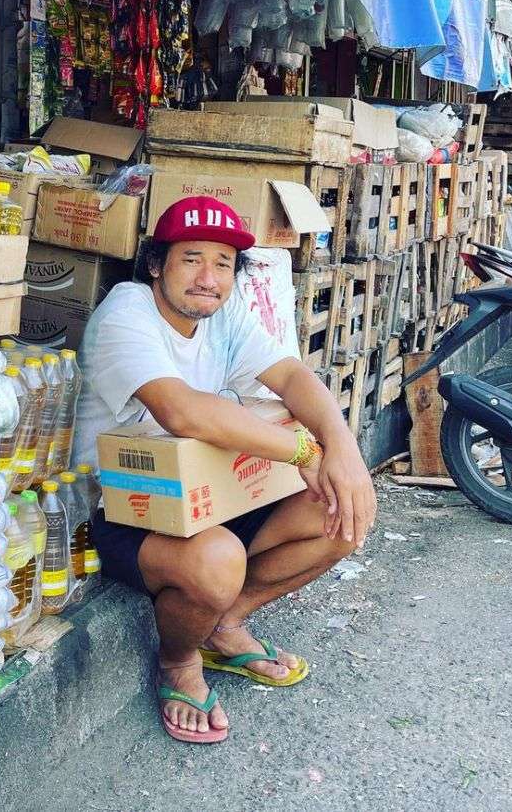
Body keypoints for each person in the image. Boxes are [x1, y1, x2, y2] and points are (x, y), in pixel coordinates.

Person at [72, 196, 377, 745]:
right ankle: (180, 660)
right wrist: (305, 452)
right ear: (156, 264)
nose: (208, 278)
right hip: (127, 508)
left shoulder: (224, 316)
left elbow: (290, 376)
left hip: (206, 494)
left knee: (342, 509)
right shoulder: (127, 311)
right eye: (191, 259)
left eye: (223, 263)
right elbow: (182, 411)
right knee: (217, 559)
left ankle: (225, 623)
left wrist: (342, 448)